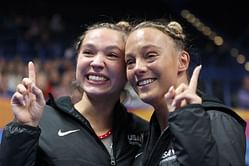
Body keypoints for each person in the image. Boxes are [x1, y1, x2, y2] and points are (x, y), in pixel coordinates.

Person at [0, 21, 149, 166]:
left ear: (129, 66)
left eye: (111, 55)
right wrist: (23, 129)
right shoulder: (40, 123)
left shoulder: (145, 133)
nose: (96, 62)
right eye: (88, 52)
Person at [125, 20, 246, 166]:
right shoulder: (146, 136)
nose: (138, 68)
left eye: (150, 55)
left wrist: (189, 123)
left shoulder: (216, 119)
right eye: (130, 61)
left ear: (182, 61)